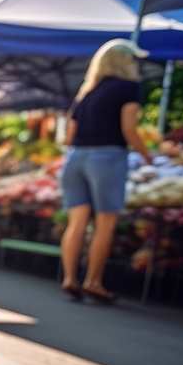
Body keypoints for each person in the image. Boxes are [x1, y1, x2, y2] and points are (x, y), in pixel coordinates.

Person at [59, 39, 153, 304]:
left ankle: (69, 278)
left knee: (76, 222)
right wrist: (148, 156)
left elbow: (69, 135)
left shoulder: (86, 93)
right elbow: (129, 129)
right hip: (107, 156)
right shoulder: (129, 88)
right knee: (105, 223)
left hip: (75, 157)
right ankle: (93, 282)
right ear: (126, 61)